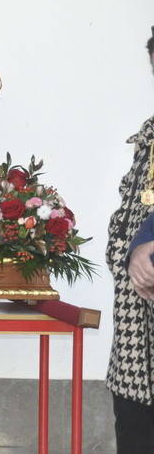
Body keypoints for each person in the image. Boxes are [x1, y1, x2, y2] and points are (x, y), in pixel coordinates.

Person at [107, 26, 154, 453]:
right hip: (137, 310)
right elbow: (135, 204)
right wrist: (126, 250)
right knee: (136, 423)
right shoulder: (150, 134)